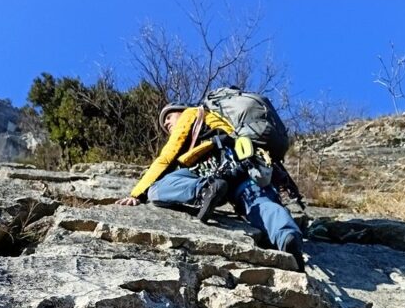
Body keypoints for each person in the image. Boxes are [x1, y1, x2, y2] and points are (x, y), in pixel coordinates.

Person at [117, 104, 305, 270]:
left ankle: (204, 190)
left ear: (181, 110)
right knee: (260, 203)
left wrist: (137, 194)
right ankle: (287, 237)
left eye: (168, 116)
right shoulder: (225, 124)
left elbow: (168, 155)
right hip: (243, 165)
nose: (166, 123)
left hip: (210, 167)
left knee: (157, 189)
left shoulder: (191, 114)